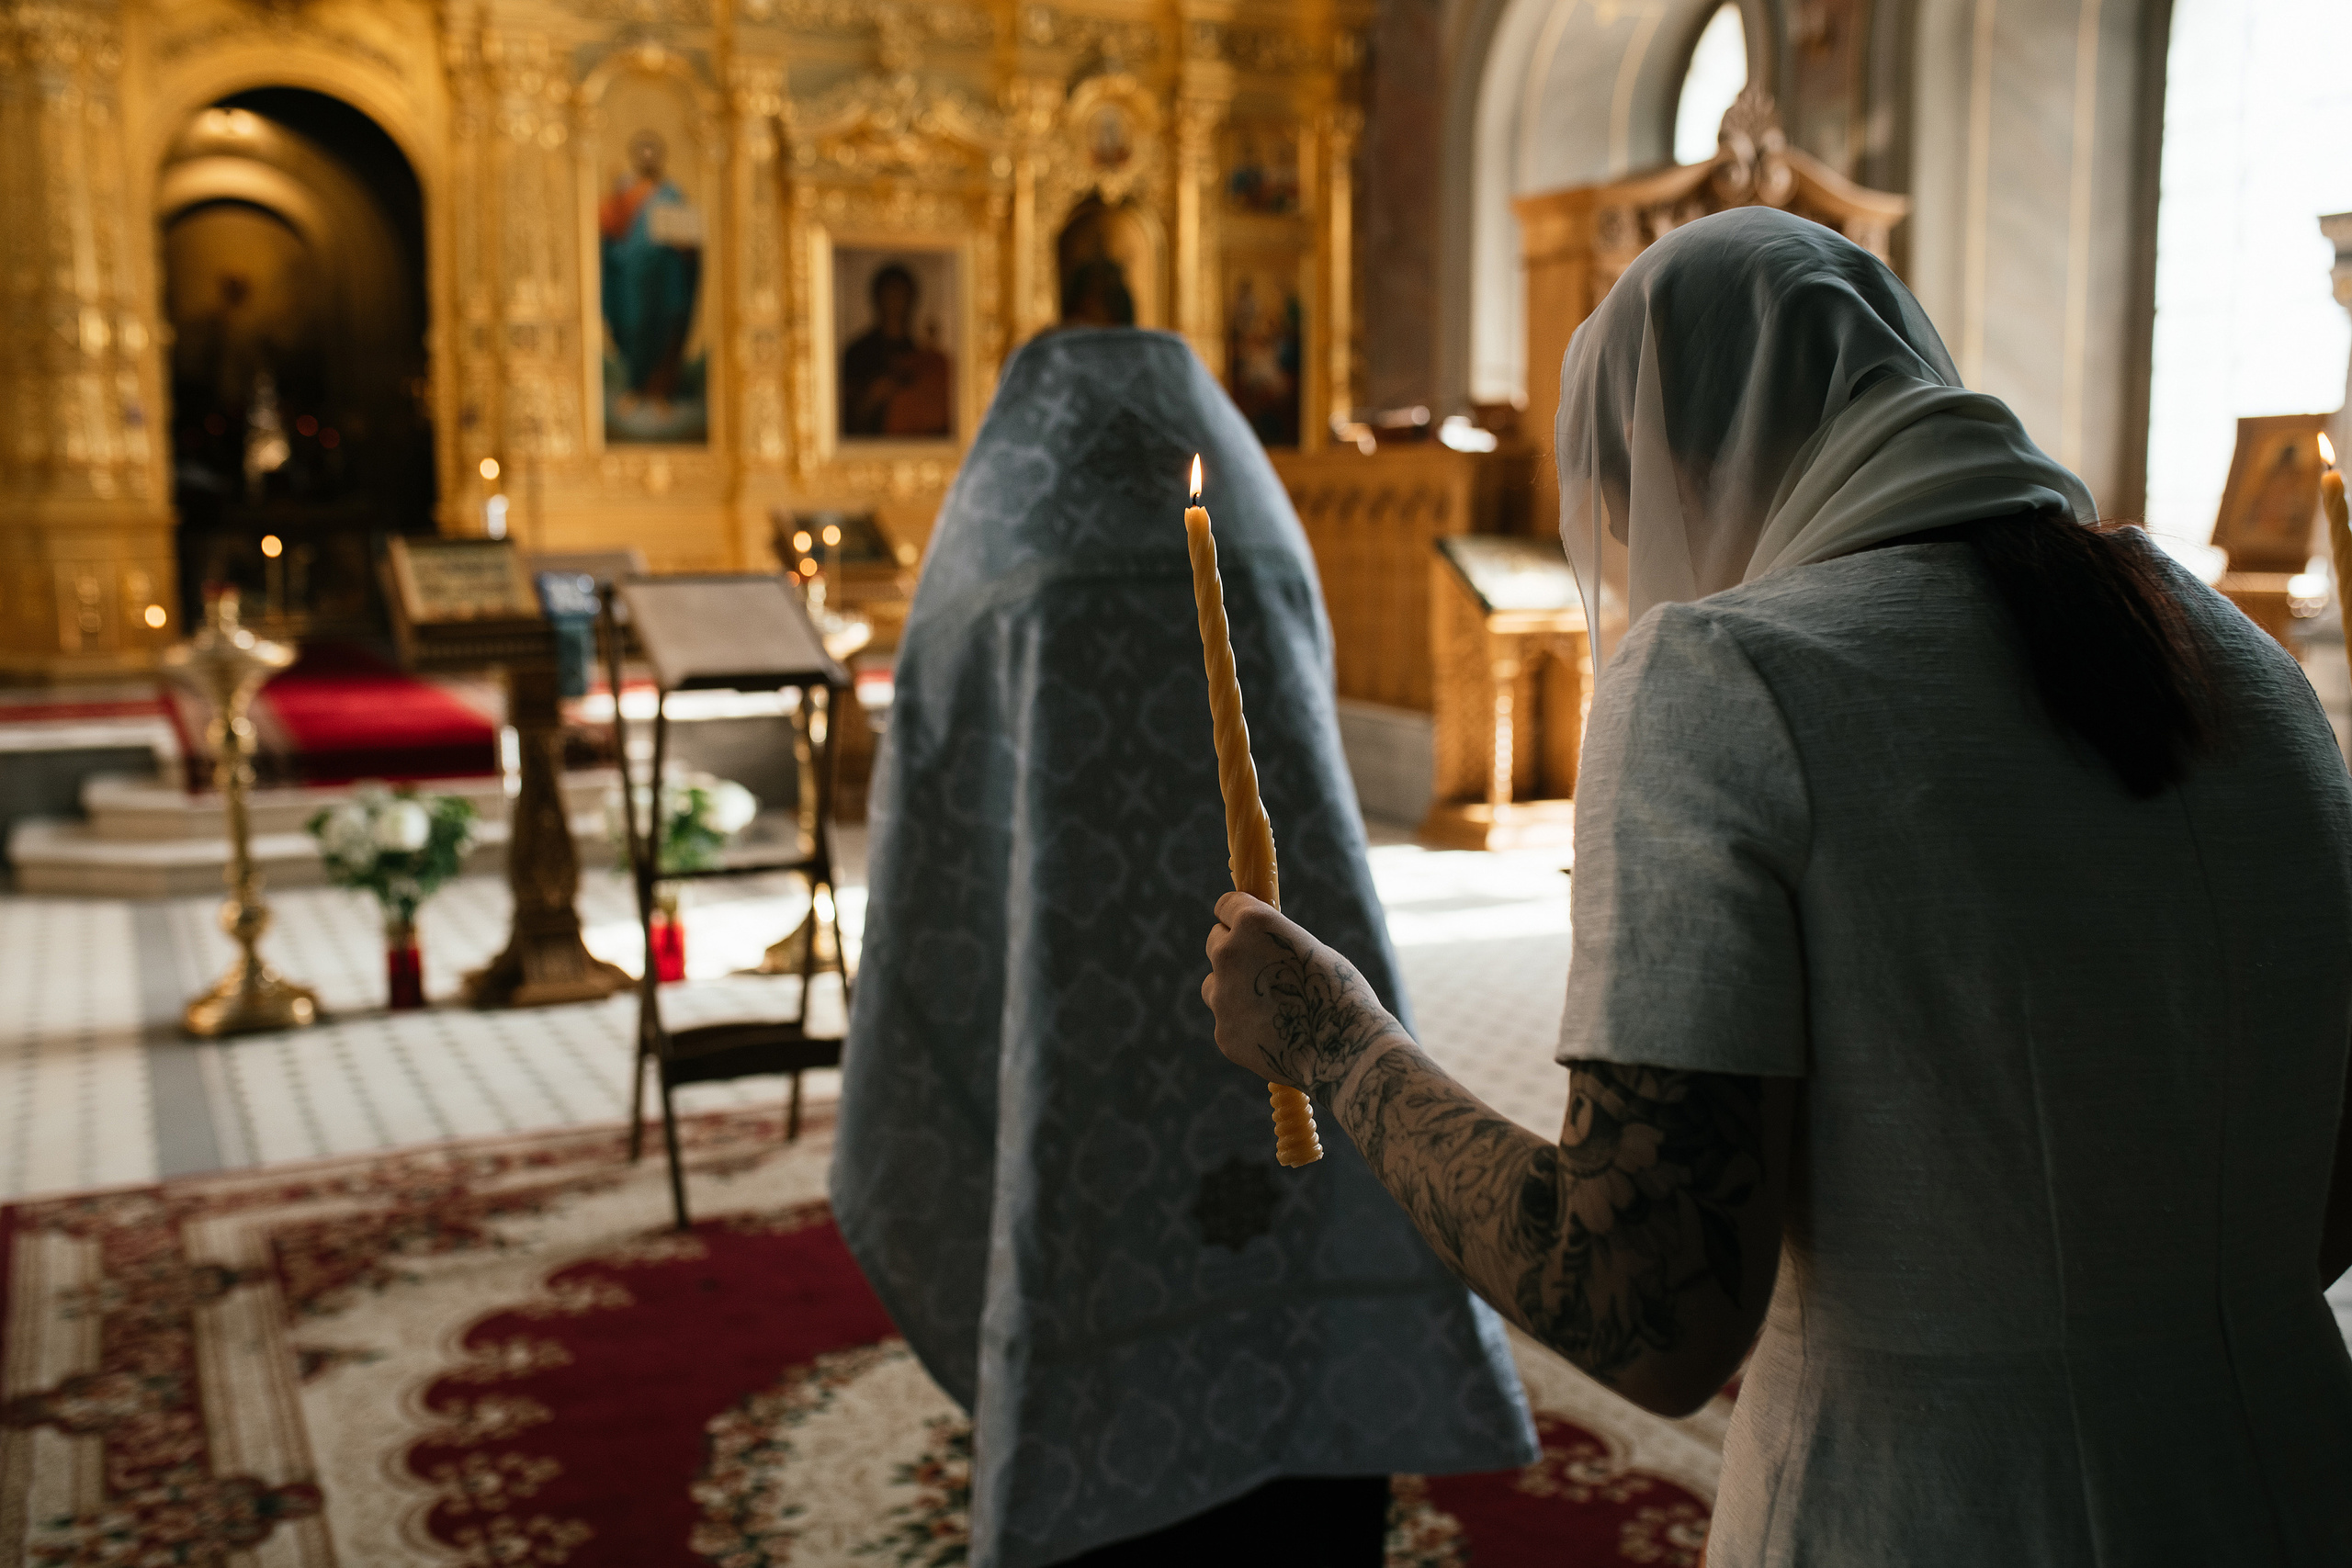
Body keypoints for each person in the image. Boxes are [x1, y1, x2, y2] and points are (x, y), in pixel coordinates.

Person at [1201, 207, 2352, 1564]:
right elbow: (2326, 1196)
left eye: (1639, 521)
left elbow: (1641, 1303)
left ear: (1702, 467)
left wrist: (1339, 1041)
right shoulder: (2243, 658)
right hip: (2292, 1472)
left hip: (1935, 1506)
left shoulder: (1724, 678)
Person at [832, 327, 1537, 1568]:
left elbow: (934, 801)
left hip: (1077, 1032)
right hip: (1298, 993)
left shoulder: (1004, 530)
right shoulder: (1255, 524)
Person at [599, 130, 703, 424]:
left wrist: (685, 245)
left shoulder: (672, 194)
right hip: (631, 278)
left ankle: (660, 392)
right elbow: (609, 231)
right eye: (642, 153)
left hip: (666, 278)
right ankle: (635, 387)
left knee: (666, 329)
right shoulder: (625, 193)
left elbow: (690, 241)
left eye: (652, 153)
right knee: (633, 327)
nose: (647, 159)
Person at [839, 263, 952, 437]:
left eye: (902, 296)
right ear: (878, 298)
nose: (896, 303)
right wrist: (870, 398)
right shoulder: (857, 354)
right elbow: (844, 418)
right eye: (890, 295)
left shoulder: (922, 355)